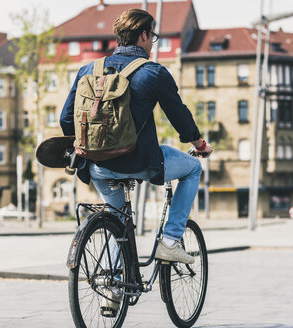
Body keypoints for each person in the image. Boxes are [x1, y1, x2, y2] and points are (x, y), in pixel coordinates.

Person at [60, 9, 212, 265]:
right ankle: (171, 241)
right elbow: (180, 117)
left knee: (118, 221)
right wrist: (199, 144)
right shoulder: (153, 72)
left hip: (97, 167)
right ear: (144, 35)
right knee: (193, 168)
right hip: (140, 162)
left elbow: (66, 119)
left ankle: (112, 289)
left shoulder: (87, 69)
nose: (152, 42)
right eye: (152, 36)